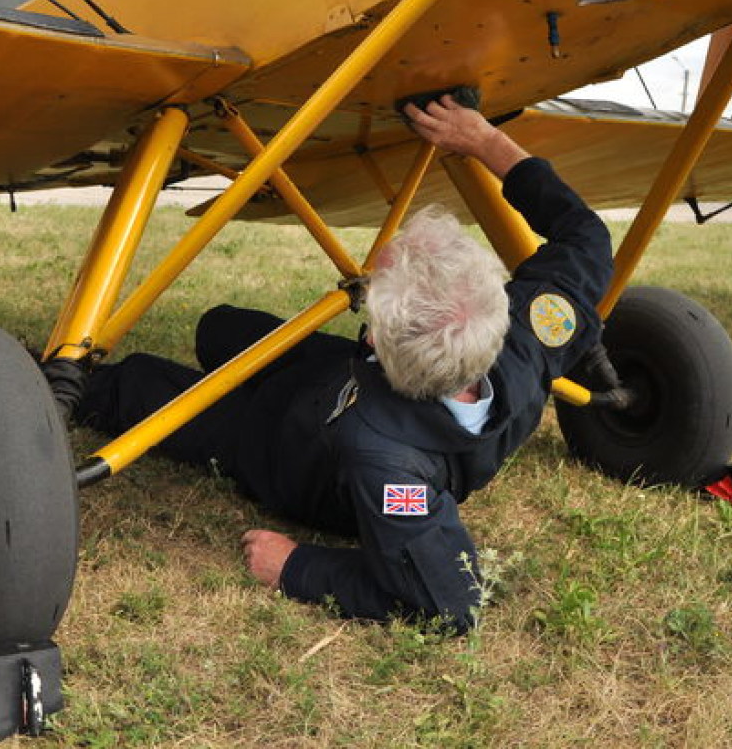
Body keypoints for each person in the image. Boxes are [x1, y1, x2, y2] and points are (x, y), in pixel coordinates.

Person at [77, 95, 613, 631]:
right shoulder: (532, 331)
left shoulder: (387, 463)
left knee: (142, 384)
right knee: (219, 326)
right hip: (331, 376)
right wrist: (482, 140)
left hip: (292, 454)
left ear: (376, 343)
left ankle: (71, 384)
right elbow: (586, 236)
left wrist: (297, 566)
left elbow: (451, 604)